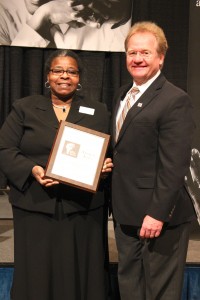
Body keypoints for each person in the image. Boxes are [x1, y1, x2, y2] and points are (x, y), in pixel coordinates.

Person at [0, 49, 113, 300]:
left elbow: (110, 152)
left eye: (71, 71)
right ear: (48, 76)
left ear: (79, 77)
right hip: (35, 205)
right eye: (58, 70)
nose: (65, 76)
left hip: (82, 208)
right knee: (37, 272)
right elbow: (5, 148)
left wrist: (106, 166)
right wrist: (32, 169)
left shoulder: (99, 110)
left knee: (82, 271)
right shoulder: (24, 108)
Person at [110, 21, 196, 300]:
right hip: (125, 213)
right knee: (130, 286)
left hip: (159, 217)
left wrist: (158, 213)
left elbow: (175, 165)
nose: (137, 59)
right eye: (132, 53)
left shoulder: (174, 100)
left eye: (146, 53)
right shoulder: (123, 94)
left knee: (160, 292)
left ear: (161, 57)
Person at [0, 0, 132, 51]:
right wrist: (44, 16)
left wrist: (125, 14)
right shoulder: (3, 15)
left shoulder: (97, 9)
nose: (35, 0)